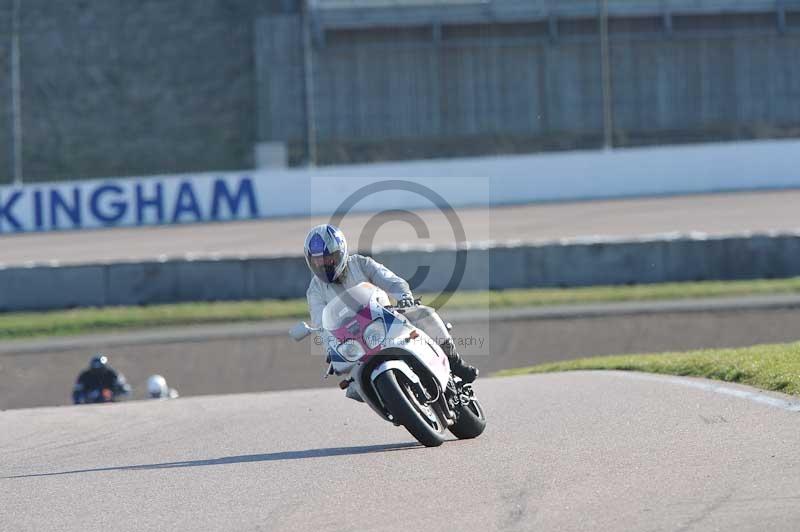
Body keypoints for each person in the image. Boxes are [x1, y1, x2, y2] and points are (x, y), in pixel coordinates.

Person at [304, 224, 478, 383]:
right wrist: (330, 348)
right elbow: (321, 324)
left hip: (385, 319)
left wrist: (404, 297)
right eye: (317, 261)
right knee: (352, 386)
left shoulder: (360, 264)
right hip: (352, 339)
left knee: (424, 314)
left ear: (341, 252)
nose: (323, 264)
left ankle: (455, 363)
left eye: (328, 258)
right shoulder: (315, 290)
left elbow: (390, 280)